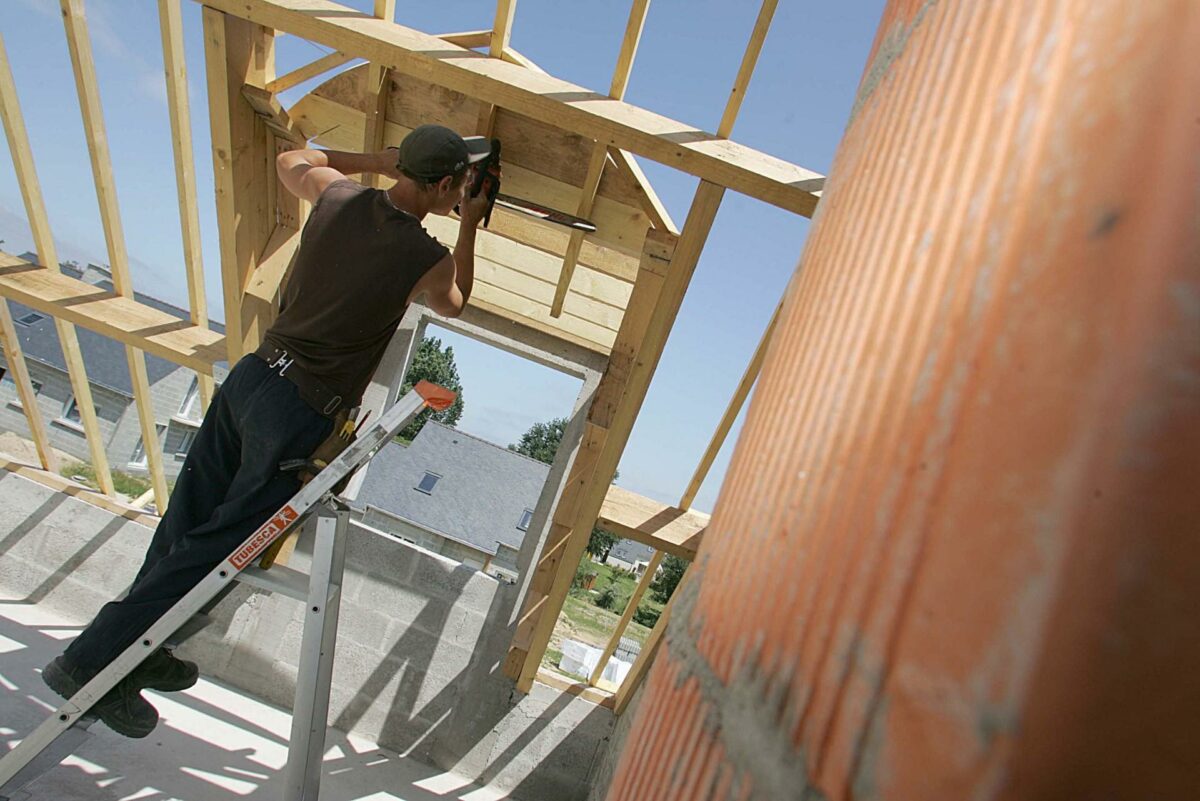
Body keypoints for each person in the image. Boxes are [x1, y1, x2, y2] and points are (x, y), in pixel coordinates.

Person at [43, 125, 492, 738]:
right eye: (458, 183)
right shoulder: (426, 256)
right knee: (219, 548)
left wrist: (374, 162)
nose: (460, 190)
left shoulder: (336, 197)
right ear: (445, 184)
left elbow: (292, 158)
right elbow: (456, 301)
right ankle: (88, 663)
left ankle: (135, 654)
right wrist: (469, 224)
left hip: (251, 378)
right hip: (297, 411)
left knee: (183, 528)